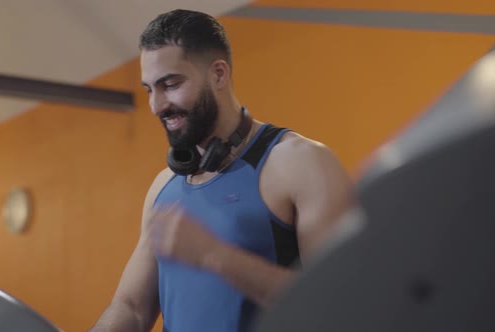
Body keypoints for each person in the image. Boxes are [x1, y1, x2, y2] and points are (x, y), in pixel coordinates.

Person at [90, 9, 353, 332]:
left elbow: (339, 305)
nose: (157, 105)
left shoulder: (300, 163)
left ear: (218, 74)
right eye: (149, 90)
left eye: (170, 84)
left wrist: (216, 257)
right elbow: (130, 308)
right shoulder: (164, 187)